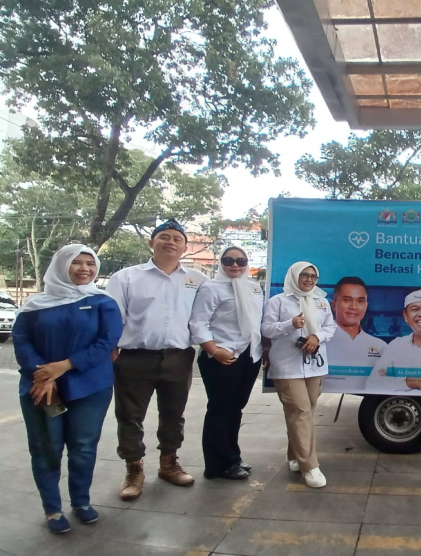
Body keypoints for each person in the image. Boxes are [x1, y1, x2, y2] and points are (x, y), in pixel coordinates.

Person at [13, 245, 123, 533]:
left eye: (90, 263)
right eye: (76, 262)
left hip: (90, 386)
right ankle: (52, 509)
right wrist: (43, 375)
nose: (84, 269)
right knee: (46, 448)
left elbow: (106, 342)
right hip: (42, 387)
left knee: (83, 447)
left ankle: (81, 502)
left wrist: (64, 366)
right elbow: (22, 341)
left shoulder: (103, 302)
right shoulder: (36, 305)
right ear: (62, 265)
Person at [107, 219, 208, 501]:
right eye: (164, 236)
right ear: (152, 242)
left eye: (177, 238)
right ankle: (134, 468)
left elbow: (205, 317)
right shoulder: (126, 277)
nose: (171, 242)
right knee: (129, 416)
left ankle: (169, 462)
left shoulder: (198, 280)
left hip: (179, 357)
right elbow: (114, 318)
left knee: (174, 414)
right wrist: (111, 350)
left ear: (185, 247)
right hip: (135, 358)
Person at [189, 246, 264, 481]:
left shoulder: (253, 288)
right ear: (221, 262)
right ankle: (217, 465)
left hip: (249, 356)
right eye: (229, 260)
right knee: (220, 410)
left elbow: (257, 322)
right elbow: (198, 322)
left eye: (241, 261)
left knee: (235, 409)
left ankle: (232, 456)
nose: (235, 265)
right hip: (221, 357)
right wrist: (213, 350)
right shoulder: (212, 287)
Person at [262, 261, 336, 488]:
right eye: (304, 275)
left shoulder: (321, 301)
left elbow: (331, 327)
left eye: (313, 276)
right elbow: (266, 329)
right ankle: (310, 466)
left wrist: (317, 337)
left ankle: (294, 455)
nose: (309, 279)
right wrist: (289, 324)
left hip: (314, 365)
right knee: (301, 410)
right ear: (294, 276)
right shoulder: (279, 301)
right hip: (288, 366)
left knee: (305, 410)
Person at [326, 277, 387, 392]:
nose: (354, 307)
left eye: (360, 301)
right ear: (333, 305)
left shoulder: (380, 347)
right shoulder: (319, 340)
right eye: (347, 300)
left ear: (366, 305)